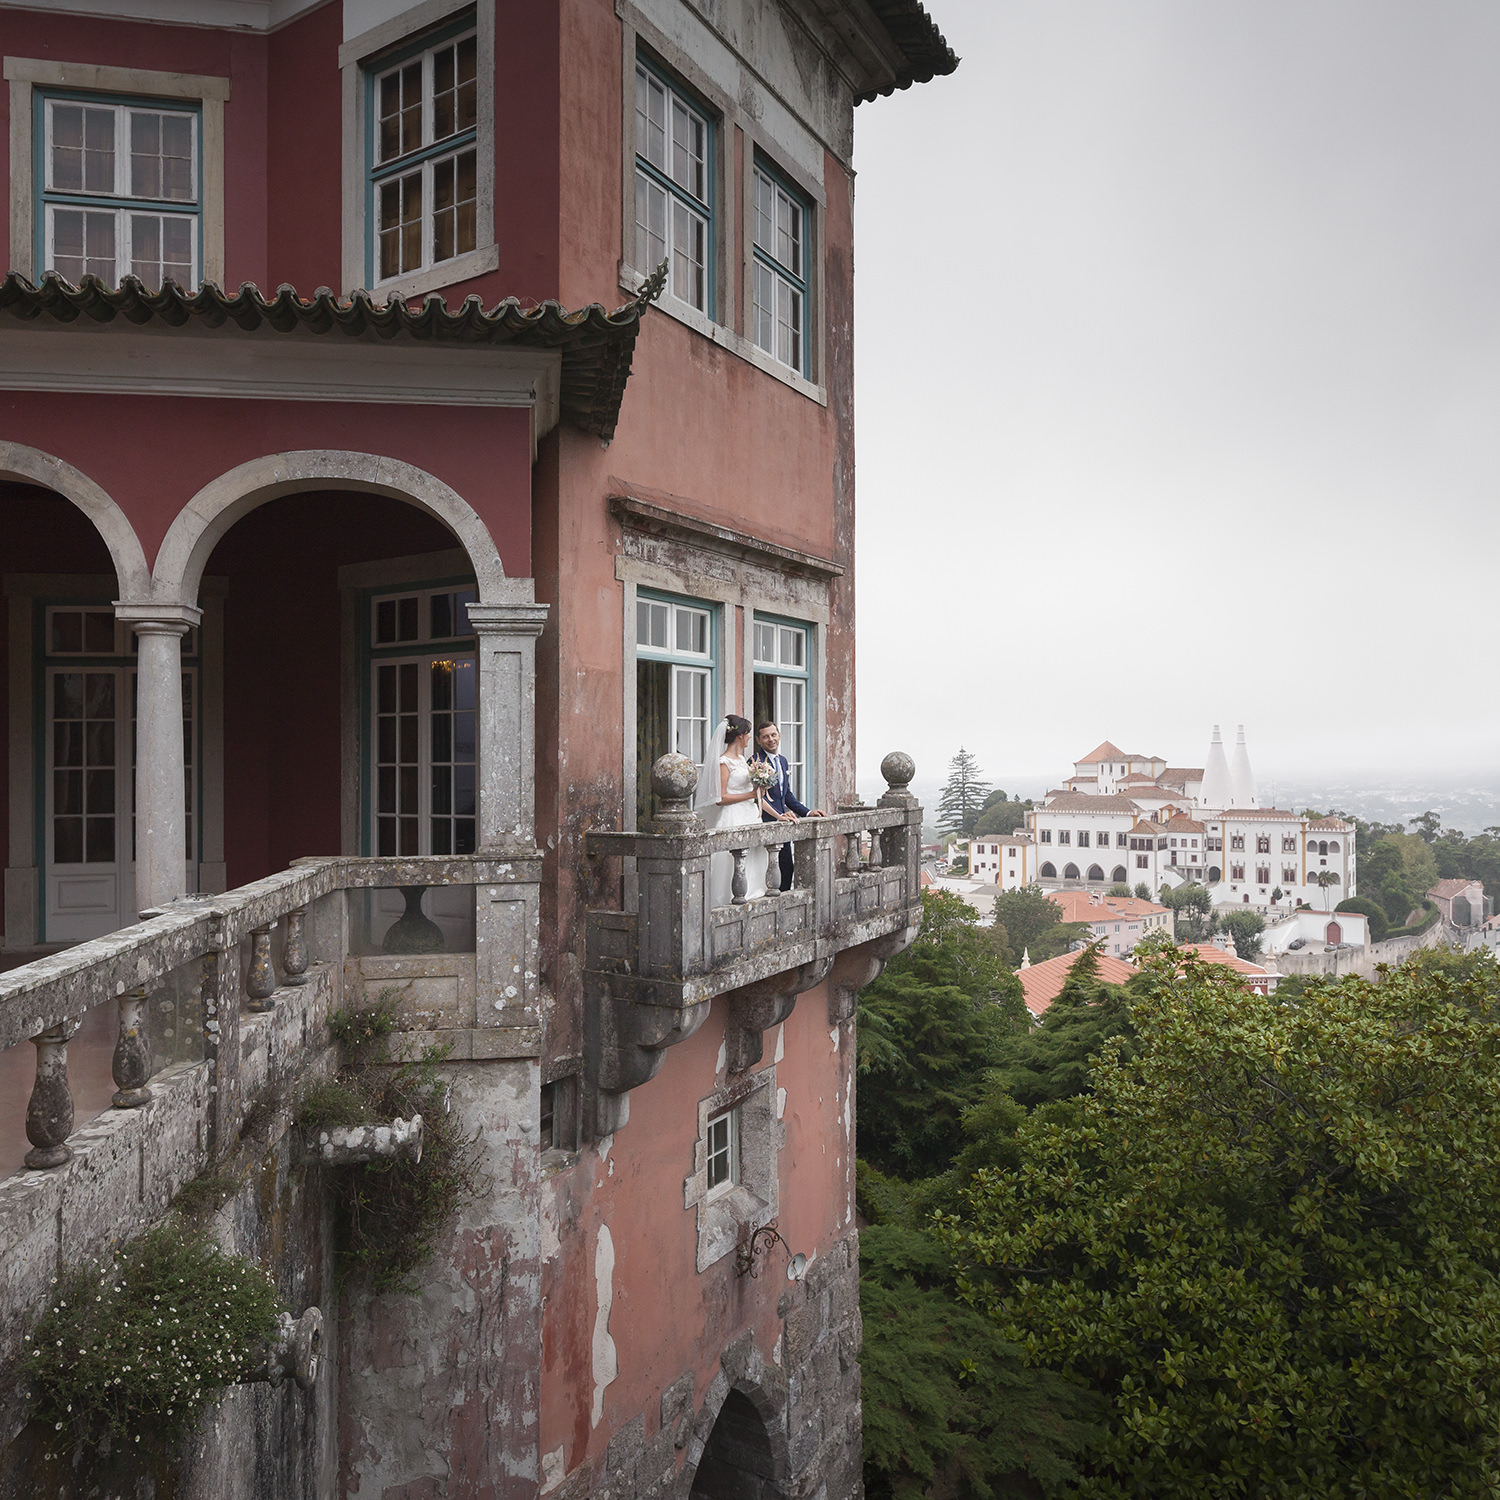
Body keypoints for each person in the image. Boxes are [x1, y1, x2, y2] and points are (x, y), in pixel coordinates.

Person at [692, 714, 766, 905]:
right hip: (733, 817)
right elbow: (720, 798)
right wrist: (750, 795)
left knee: (753, 861)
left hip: (750, 816)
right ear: (740, 735)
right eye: (748, 733)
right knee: (732, 863)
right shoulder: (723, 762)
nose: (750, 736)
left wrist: (775, 812)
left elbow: (753, 793)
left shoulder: (742, 759)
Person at [752, 720, 824, 892]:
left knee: (786, 868)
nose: (771, 739)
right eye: (766, 737)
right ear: (758, 740)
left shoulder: (782, 761)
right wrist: (779, 816)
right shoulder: (754, 762)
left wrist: (807, 812)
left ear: (779, 735)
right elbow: (756, 797)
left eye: (773, 735)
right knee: (767, 873)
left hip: (782, 823)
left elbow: (787, 795)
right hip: (764, 822)